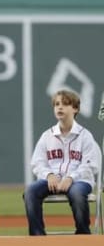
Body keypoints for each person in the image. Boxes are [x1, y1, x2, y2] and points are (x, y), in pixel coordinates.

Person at [24, 90, 101, 235]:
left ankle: (83, 235)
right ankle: (37, 236)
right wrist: (49, 175)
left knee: (77, 193)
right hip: (52, 180)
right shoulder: (47, 136)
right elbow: (37, 162)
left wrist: (71, 177)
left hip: (80, 181)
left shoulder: (85, 136)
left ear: (75, 109)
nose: (60, 107)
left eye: (65, 104)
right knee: (30, 191)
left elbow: (91, 165)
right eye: (57, 104)